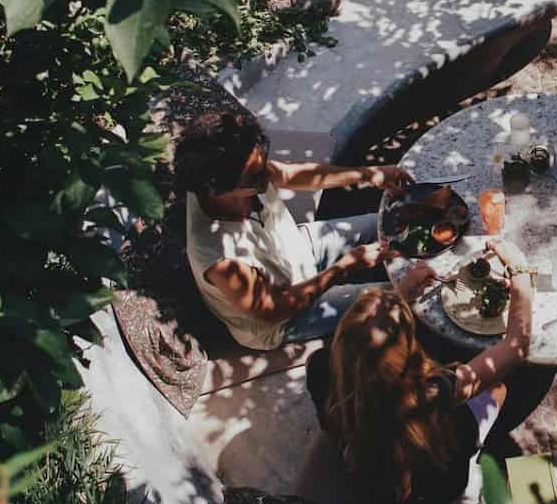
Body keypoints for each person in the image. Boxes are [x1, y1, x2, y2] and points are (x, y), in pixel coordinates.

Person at [297, 240, 533, 504]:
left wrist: (398, 298)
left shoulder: (319, 366)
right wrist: (520, 272)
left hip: (370, 471)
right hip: (440, 488)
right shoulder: (433, 391)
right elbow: (516, 348)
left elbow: (366, 343)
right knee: (498, 387)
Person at [174, 110, 412, 350]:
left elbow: (292, 174)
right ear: (217, 188)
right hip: (287, 317)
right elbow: (273, 309)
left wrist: (369, 174)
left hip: (297, 249)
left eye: (264, 164)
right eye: (255, 178)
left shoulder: (242, 170)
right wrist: (344, 267)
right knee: (402, 292)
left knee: (392, 221)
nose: (267, 176)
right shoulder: (220, 258)